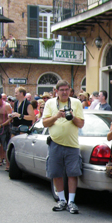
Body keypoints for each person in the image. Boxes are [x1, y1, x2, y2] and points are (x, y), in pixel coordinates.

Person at [42, 79, 85, 214]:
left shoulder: (76, 103)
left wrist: (72, 117)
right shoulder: (50, 103)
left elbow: (81, 124)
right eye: (62, 90)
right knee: (56, 172)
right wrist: (57, 116)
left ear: (70, 90)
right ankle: (61, 200)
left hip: (72, 144)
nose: (65, 92)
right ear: (56, 91)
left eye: (67, 89)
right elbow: (44, 123)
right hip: (55, 143)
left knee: (73, 173)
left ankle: (71, 201)